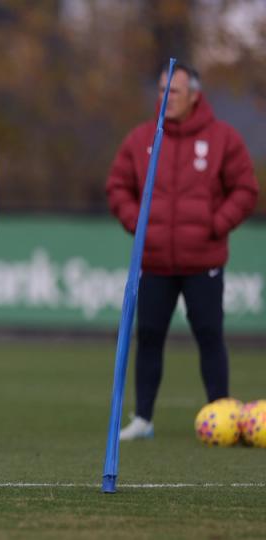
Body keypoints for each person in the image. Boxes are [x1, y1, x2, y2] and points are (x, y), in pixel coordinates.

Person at [106, 62, 259, 440]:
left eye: (173, 92)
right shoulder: (141, 138)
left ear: (193, 95)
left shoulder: (223, 138)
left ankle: (222, 413)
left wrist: (216, 224)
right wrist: (135, 223)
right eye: (160, 91)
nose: (165, 98)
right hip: (155, 260)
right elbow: (117, 187)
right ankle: (142, 418)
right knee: (150, 335)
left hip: (202, 261)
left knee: (209, 334)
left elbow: (245, 189)